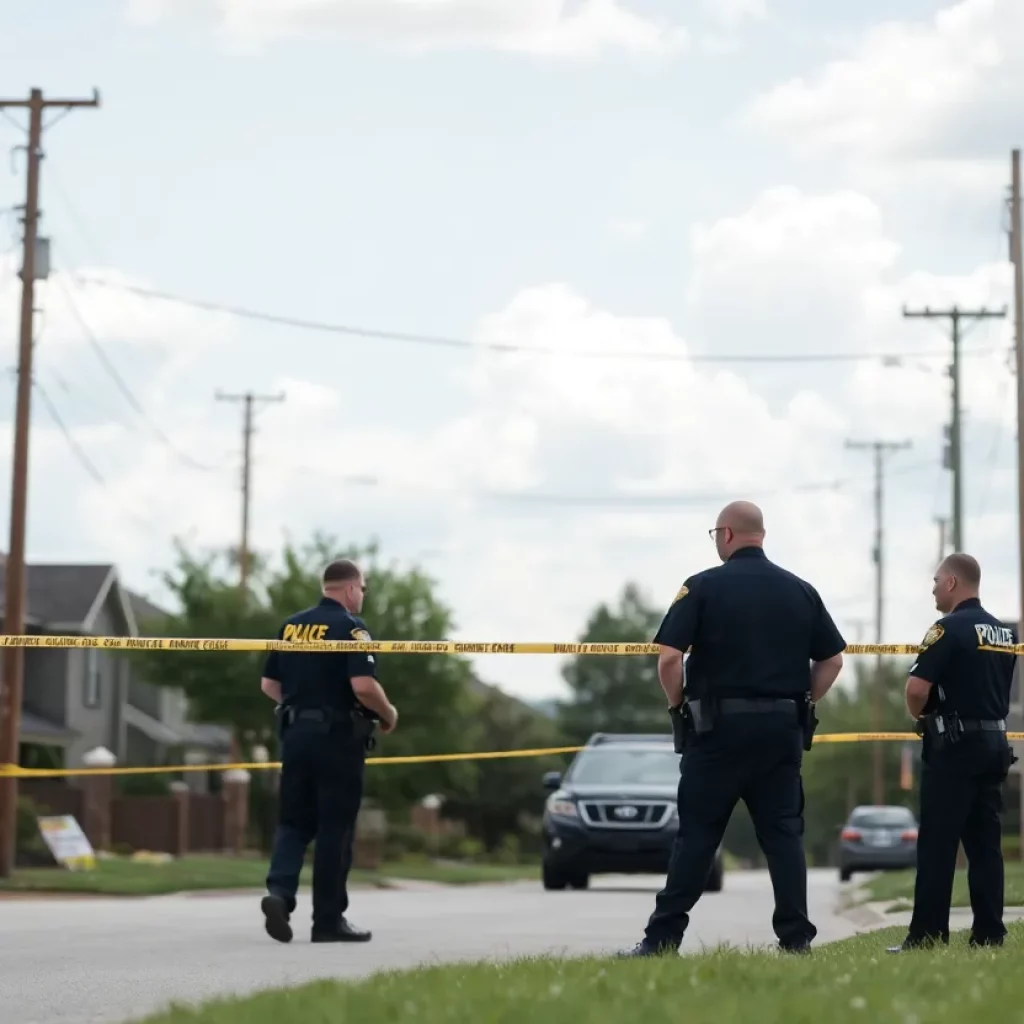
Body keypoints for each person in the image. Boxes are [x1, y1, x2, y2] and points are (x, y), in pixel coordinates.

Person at [619, 501, 846, 957]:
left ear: (725, 535)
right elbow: (833, 659)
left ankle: (662, 939)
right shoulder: (800, 590)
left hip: (717, 731)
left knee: (698, 836)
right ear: (759, 535)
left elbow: (668, 658)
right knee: (783, 835)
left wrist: (678, 704)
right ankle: (796, 939)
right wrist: (802, 701)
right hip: (781, 731)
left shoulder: (702, 586)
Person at [258, 557, 399, 945]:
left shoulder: (291, 625)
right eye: (363, 589)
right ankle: (327, 920)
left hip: (295, 736)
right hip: (337, 738)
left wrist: (303, 702)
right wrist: (388, 715)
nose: (362, 597)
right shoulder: (352, 629)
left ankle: (280, 894)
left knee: (293, 822)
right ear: (351, 588)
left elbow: (269, 685)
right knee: (335, 829)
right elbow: (363, 686)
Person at [887, 553, 1018, 953]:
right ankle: (990, 933)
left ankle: (927, 935)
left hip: (954, 748)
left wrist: (921, 717)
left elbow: (915, 690)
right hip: (994, 744)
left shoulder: (946, 629)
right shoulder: (1003, 634)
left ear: (952, 584)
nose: (932, 588)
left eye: (936, 580)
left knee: (938, 845)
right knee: (985, 846)